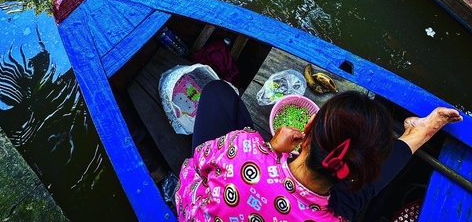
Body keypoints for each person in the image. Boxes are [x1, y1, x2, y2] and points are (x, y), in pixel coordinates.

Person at [175, 80, 462, 221]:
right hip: (317, 204)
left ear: (308, 126)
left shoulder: (245, 146)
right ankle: (421, 131)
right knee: (352, 199)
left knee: (217, 93)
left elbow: (201, 163)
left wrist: (269, 148)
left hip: (198, 212)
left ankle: (419, 131)